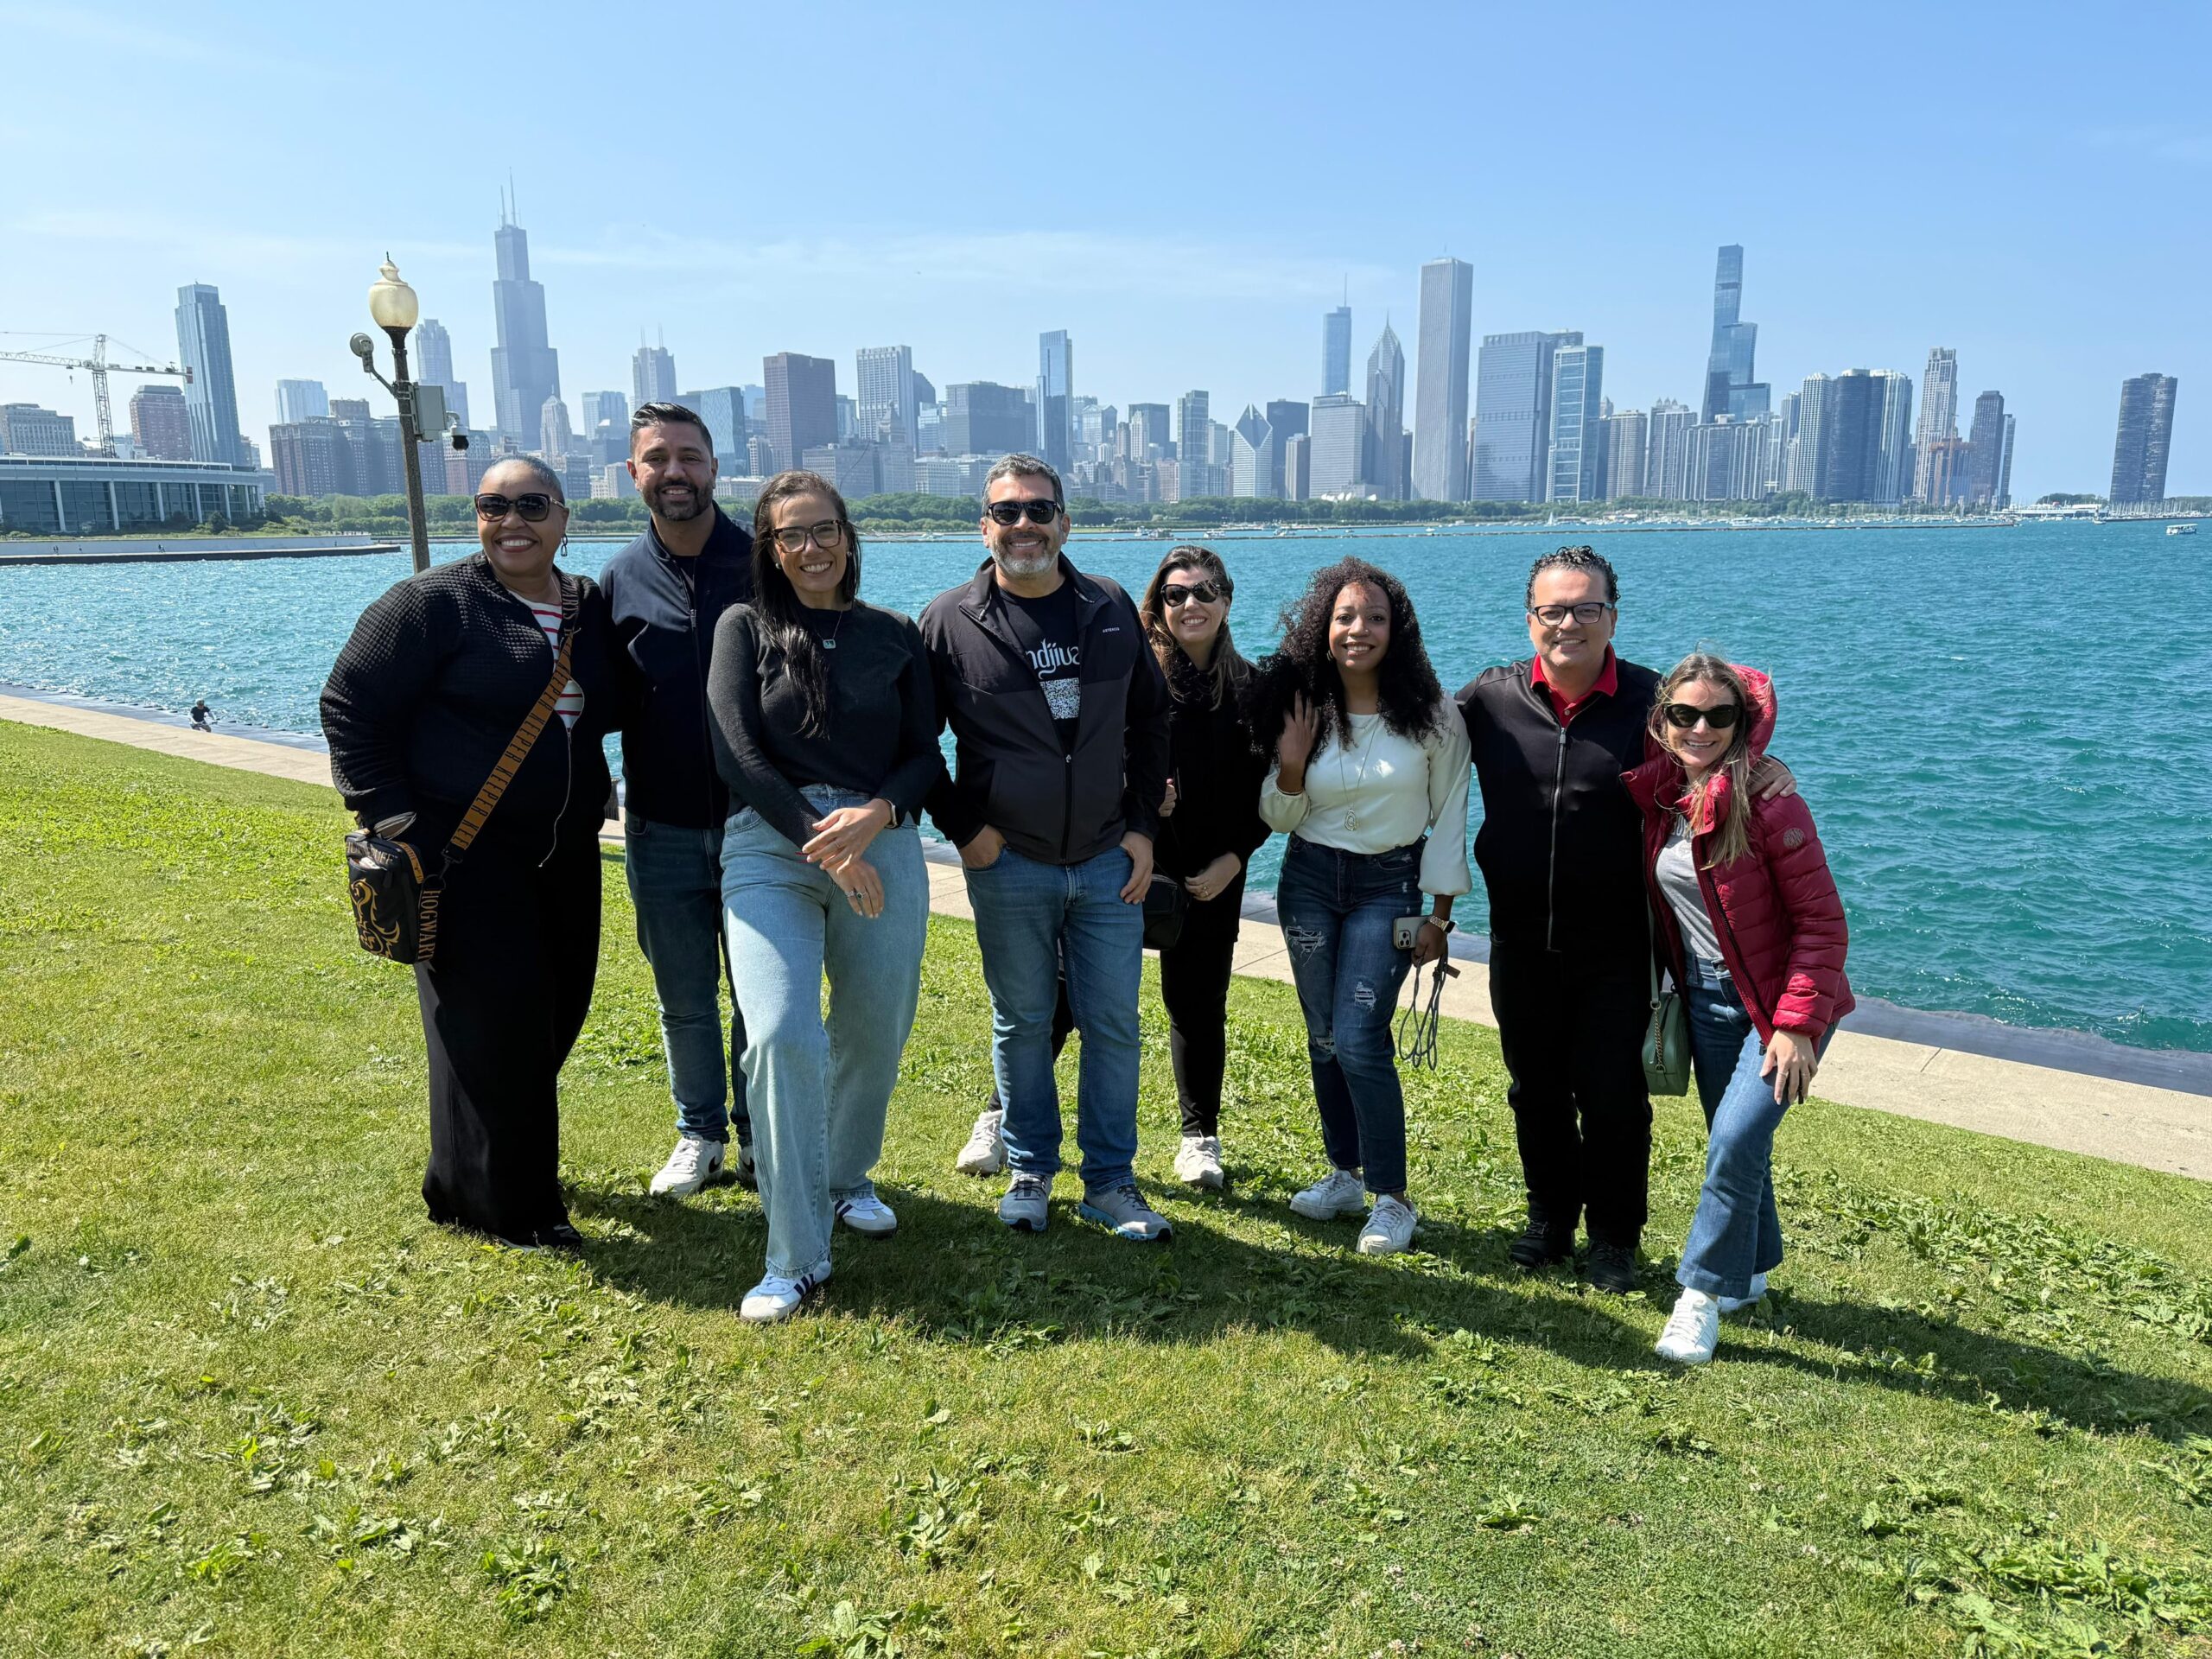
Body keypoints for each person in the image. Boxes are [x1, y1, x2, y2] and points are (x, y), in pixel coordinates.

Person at [1455, 545, 1791, 1294]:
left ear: (1612, 616)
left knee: (1612, 1095)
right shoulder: (1490, 698)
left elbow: (1732, 724)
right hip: (1517, 937)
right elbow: (1417, 740)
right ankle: (1548, 1222)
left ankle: (1613, 1238)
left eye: (1586, 608)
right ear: (1530, 617)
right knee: (1533, 1088)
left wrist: (1765, 767)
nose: (1568, 622)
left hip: (1618, 944)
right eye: (1552, 609)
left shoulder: (1650, 703)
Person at [321, 457, 617, 1249]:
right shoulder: (432, 605)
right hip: (459, 854)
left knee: (558, 1009)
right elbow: (348, 704)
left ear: (563, 517)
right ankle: (508, 1208)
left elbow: (614, 702)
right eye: (493, 506)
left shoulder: (584, 606)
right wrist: (393, 817)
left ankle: (469, 1170)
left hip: (563, 851)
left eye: (531, 505)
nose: (511, 521)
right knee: (494, 1023)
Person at [706, 472, 942, 1323]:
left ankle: (844, 1176)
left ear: (848, 535)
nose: (809, 548)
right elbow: (735, 752)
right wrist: (821, 837)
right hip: (772, 845)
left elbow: (925, 756)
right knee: (778, 1034)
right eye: (789, 535)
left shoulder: (893, 635)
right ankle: (796, 1259)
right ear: (769, 548)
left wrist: (875, 815)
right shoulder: (744, 628)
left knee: (875, 1023)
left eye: (823, 530)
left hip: (881, 843)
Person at [922, 454, 1173, 1241]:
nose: (1023, 525)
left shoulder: (1108, 606)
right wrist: (967, 831)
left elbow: (1152, 722)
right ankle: (1029, 1167)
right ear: (984, 527)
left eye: (1039, 510)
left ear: (1066, 522)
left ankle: (1110, 1181)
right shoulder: (949, 622)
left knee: (1113, 1024)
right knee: (1023, 1020)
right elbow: (916, 746)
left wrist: (1141, 827)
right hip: (1011, 862)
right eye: (1007, 512)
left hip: (1105, 859)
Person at [1626, 656, 1851, 1363]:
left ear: (1741, 724)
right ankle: (1749, 1274)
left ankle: (1698, 1297)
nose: (1700, 728)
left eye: (1719, 716)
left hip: (1773, 1006)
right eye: (1684, 715)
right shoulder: (1664, 794)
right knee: (1741, 1142)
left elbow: (1823, 925)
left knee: (1732, 1140)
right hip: (1705, 998)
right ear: (1661, 721)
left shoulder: (1771, 800)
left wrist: (1795, 1026)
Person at [1258, 558, 1470, 1255]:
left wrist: (1439, 916)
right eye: (1346, 616)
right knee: (1324, 1035)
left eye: (1374, 617)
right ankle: (1343, 1173)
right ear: (1323, 626)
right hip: (1310, 880)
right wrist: (1290, 763)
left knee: (1357, 1036)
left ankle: (1394, 1196)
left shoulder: (1433, 716)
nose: (1359, 629)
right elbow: (1280, 816)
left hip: (1390, 885)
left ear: (1396, 628)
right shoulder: (1303, 706)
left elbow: (1448, 819)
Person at [601, 403, 757, 1198]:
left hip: (756, 827)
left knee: (760, 993)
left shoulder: (763, 563)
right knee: (684, 997)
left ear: (714, 470)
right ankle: (699, 1132)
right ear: (635, 474)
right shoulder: (618, 578)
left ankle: (759, 1131)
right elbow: (592, 699)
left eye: (689, 457)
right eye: (657, 459)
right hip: (658, 826)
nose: (675, 472)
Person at [1135, 545, 1270, 1189]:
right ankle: (1003, 1115)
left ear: (1227, 600)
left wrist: (1237, 856)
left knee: (1197, 1008)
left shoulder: (1252, 691)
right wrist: (1141, 801)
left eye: (1205, 591)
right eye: (1176, 594)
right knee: (1064, 995)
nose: (1191, 604)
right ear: (1157, 606)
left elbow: (1271, 795)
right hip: (1131, 863)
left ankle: (1199, 1138)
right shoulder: (1136, 681)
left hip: (1214, 873)